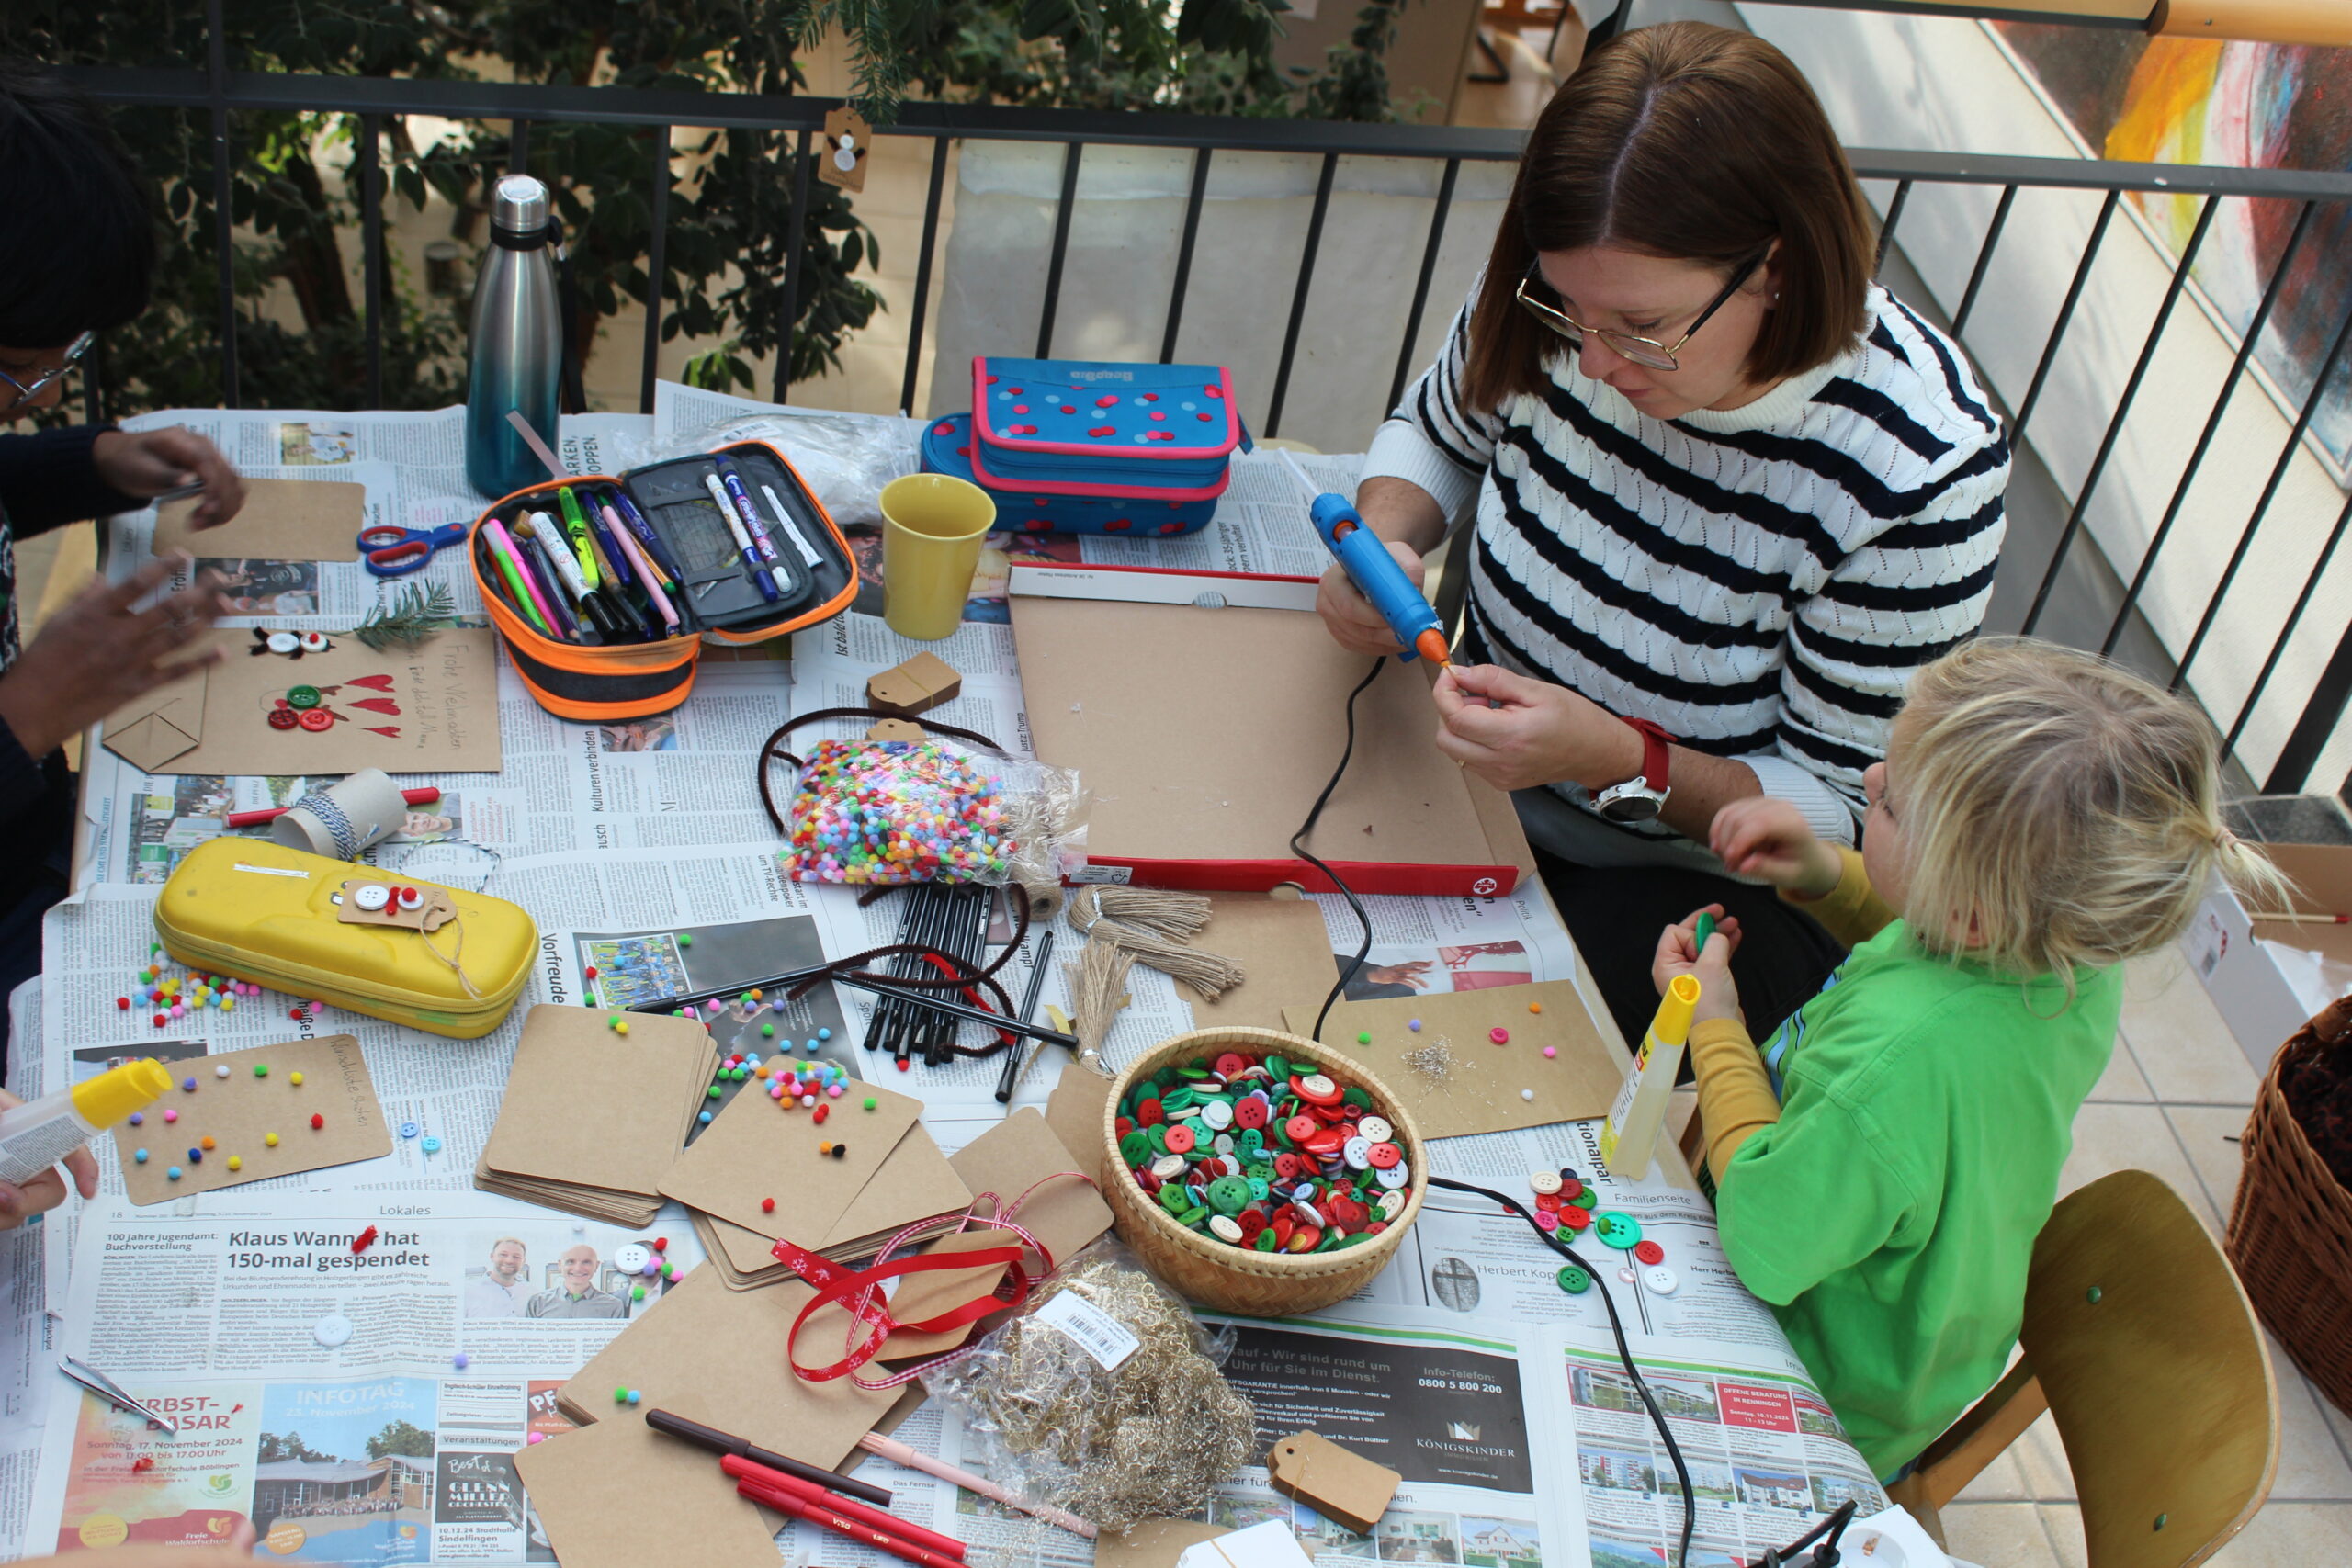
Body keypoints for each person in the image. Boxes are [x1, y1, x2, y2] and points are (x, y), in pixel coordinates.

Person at [1316, 22, 2008, 1051]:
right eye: (1567, 310)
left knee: (1420, 1058)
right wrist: (1381, 538)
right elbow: (1436, 431)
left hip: (1693, 892)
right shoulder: (1576, 293)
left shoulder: (1917, 469)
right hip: (1455, 778)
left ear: (1774, 268)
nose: (1593, 363)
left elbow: (1838, 810)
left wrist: (1623, 760)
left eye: (1640, 329)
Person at [1650, 637, 2282, 1480]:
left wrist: (1713, 1020)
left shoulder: (1889, 1067)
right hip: (1915, 1349)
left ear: (1973, 908)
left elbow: (1762, 1233)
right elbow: (1931, 939)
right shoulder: (2069, 965)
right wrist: (1829, 874)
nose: (1869, 782)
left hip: (1809, 1387)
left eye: (1897, 805)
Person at [0, 63, 245, 1055]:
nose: (44, 398)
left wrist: (95, 462)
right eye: (21, 373)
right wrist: (23, 717)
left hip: (40, 831)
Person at [524, 1244, 625, 1319]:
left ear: (596, 1266)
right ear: (560, 1265)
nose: (578, 1269)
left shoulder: (613, 1305)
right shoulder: (537, 1302)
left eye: (586, 1262)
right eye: (570, 1262)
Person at [465, 1237, 531, 1316]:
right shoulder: (468, 1291)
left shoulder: (532, 1293)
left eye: (516, 1256)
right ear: (492, 1257)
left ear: (523, 1261)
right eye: (503, 1254)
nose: (509, 1261)